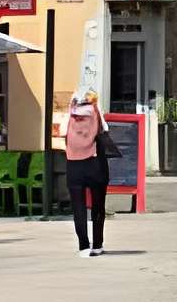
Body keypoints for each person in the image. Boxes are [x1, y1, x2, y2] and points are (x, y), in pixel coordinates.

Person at [63, 90, 110, 256]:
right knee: (98, 206)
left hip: (74, 165)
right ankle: (97, 244)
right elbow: (104, 129)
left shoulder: (70, 113)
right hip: (95, 163)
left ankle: (83, 246)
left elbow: (62, 132)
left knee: (78, 207)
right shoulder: (95, 111)